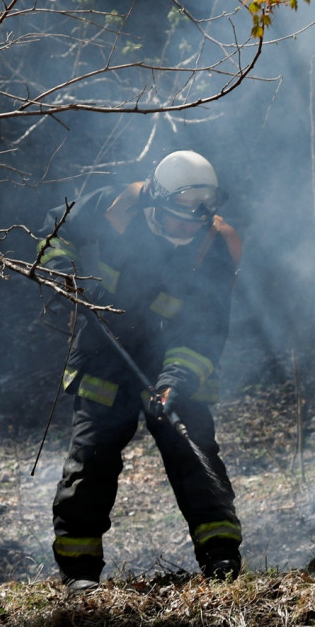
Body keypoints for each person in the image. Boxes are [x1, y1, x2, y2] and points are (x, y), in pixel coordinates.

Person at [37, 150, 244, 592]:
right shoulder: (116, 206)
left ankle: (221, 562)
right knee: (91, 460)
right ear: (155, 202)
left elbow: (207, 330)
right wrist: (60, 273)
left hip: (173, 360)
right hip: (104, 352)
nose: (190, 228)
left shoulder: (215, 246)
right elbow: (55, 230)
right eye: (180, 218)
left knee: (194, 453)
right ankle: (79, 573)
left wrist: (176, 382)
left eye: (198, 220)